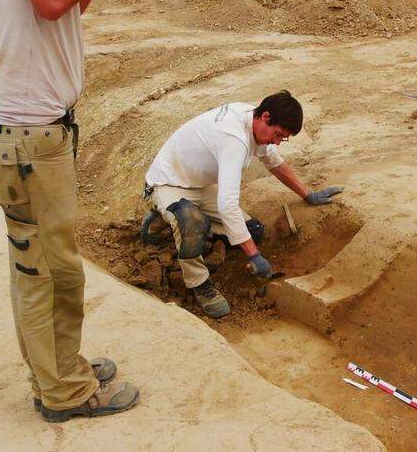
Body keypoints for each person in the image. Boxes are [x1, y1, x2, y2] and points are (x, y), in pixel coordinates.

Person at [0, 0, 149, 422]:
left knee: (52, 265)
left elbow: (66, 4)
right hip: (26, 135)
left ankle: (61, 364)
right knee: (46, 270)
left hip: (36, 132)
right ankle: (63, 392)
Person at [144, 91, 343, 318]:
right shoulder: (234, 139)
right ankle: (199, 284)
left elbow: (274, 161)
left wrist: (308, 194)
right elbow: (227, 205)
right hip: (168, 182)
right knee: (191, 223)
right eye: (277, 135)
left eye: (282, 139)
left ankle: (193, 230)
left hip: (199, 186)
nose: (277, 142)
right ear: (266, 117)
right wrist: (254, 256)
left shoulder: (252, 119)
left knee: (253, 231)